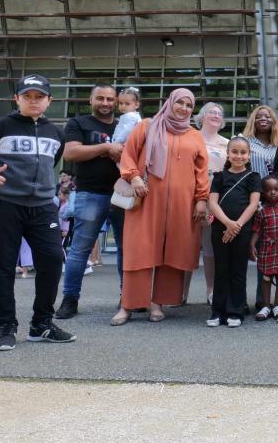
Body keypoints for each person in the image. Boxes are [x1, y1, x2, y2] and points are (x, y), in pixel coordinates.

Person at [0, 74, 73, 351]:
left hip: (42, 207)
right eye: (27, 96)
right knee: (2, 266)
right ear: (17, 99)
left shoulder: (56, 132)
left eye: (39, 97)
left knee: (52, 260)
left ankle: (42, 325)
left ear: (49, 101)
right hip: (3, 204)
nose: (33, 101)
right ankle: (5, 327)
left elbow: (53, 163)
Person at [111, 88, 210, 326]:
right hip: (145, 198)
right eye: (180, 103)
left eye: (189, 105)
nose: (184, 108)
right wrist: (133, 177)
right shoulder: (148, 125)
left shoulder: (194, 135)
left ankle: (158, 303)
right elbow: (128, 154)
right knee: (139, 250)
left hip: (181, 203)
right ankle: (128, 305)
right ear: (170, 103)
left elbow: (202, 171)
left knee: (172, 250)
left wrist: (201, 199)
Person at [55, 84, 126, 320]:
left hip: (123, 197)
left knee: (127, 251)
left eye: (110, 99)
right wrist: (106, 147)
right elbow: (71, 153)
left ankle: (127, 299)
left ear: (116, 101)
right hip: (90, 194)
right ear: (91, 100)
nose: (105, 103)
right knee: (80, 249)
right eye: (100, 98)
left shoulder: (125, 125)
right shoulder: (78, 124)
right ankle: (70, 299)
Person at [206, 137, 261, 328]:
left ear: (249, 155)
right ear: (228, 154)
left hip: (242, 229)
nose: (239, 156)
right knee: (221, 269)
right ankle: (217, 311)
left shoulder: (253, 177)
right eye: (235, 152)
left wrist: (237, 225)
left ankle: (236, 311)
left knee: (238, 270)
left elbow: (253, 204)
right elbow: (212, 202)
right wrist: (228, 223)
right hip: (220, 228)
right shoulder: (219, 176)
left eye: (243, 152)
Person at [241, 104, 278, 309]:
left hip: (272, 203)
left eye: (268, 116)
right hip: (249, 201)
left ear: (273, 121)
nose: (264, 119)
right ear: (253, 120)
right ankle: (240, 299)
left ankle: (262, 299)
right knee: (247, 250)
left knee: (266, 252)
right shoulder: (245, 142)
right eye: (259, 116)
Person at [188, 102, 230, 306]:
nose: (215, 115)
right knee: (185, 245)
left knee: (210, 245)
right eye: (211, 112)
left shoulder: (227, 143)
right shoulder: (189, 137)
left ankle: (211, 290)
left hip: (215, 200)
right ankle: (180, 292)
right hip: (188, 197)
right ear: (201, 116)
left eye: (219, 113)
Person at [250, 176, 278, 321]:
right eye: (268, 190)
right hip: (267, 248)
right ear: (262, 192)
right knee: (266, 278)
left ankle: (277, 305)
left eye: (276, 189)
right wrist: (252, 244)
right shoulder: (261, 210)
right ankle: (266, 305)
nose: (272, 193)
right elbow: (256, 230)